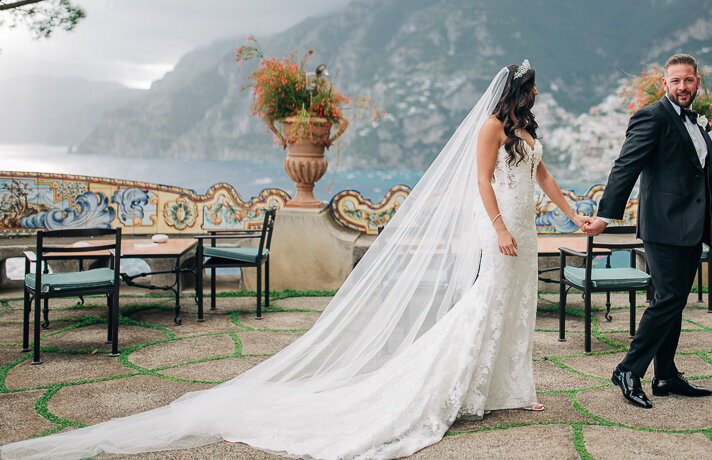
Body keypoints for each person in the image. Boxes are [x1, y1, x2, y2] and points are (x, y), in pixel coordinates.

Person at [2, 61, 587, 460]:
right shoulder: (489, 127)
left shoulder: (525, 131)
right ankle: (462, 388)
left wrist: (574, 216)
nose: (537, 97)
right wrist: (497, 229)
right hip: (502, 230)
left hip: (527, 228)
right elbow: (482, 183)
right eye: (533, 90)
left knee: (516, 306)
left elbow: (542, 176)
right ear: (519, 91)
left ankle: (505, 387)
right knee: (487, 305)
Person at [584, 53, 712, 408]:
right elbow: (626, 166)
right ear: (665, 84)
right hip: (663, 227)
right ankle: (628, 370)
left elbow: (707, 181)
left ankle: (665, 374)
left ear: (697, 83)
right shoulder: (651, 117)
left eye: (689, 80)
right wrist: (606, 216)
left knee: (675, 302)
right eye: (676, 81)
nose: (683, 86)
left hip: (693, 229)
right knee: (668, 299)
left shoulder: (699, 123)